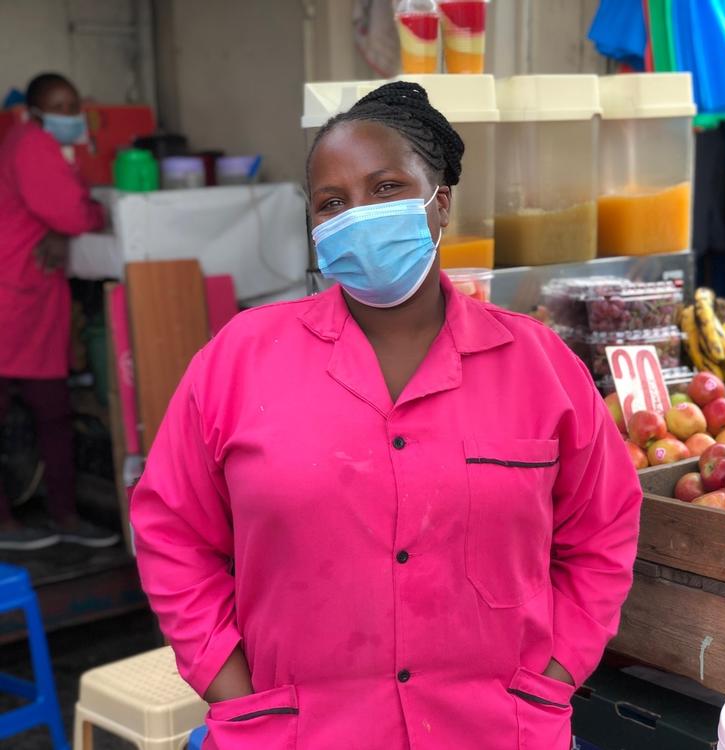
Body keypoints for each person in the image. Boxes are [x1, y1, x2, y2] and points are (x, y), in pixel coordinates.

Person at [131, 82, 642, 749]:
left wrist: (551, 677)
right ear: (314, 227)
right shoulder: (238, 360)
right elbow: (172, 534)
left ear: (441, 204)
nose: (359, 215)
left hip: (497, 731)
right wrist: (236, 690)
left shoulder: (539, 365)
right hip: (300, 735)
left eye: (386, 188)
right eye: (332, 202)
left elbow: (602, 532)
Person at [0, 72, 120, 550]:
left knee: (45, 407)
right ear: (35, 111)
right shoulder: (32, 145)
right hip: (17, 295)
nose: (72, 115)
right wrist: (83, 217)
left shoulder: (26, 142)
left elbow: (56, 211)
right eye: (61, 106)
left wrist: (61, 225)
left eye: (75, 106)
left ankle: (52, 515)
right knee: (48, 409)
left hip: (23, 290)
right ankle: (47, 517)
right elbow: (71, 212)